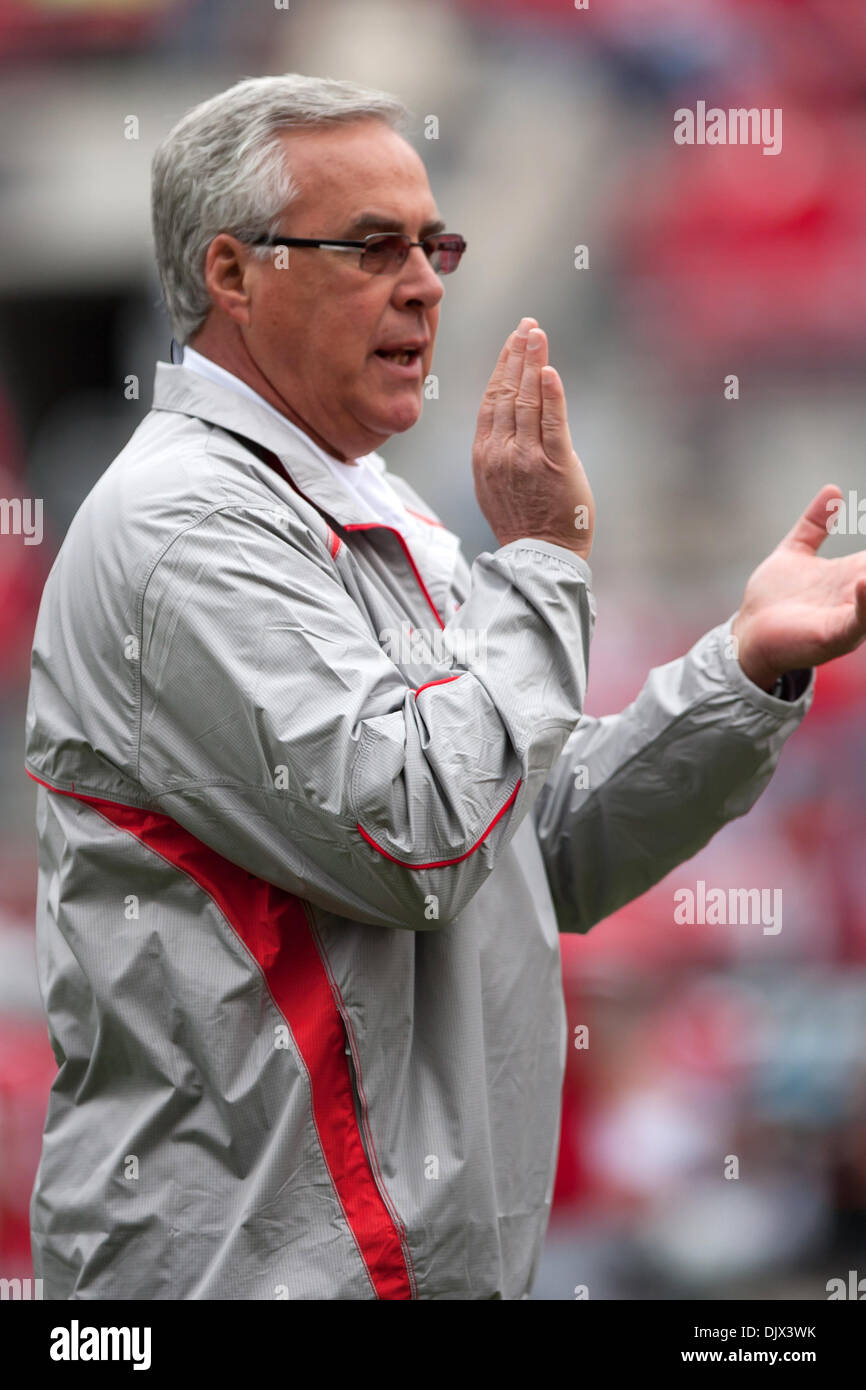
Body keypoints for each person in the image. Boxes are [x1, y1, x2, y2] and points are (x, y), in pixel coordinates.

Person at [24, 73, 866, 1301]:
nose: (424, 281)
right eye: (371, 247)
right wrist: (535, 561)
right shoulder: (182, 529)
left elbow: (531, 848)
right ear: (232, 274)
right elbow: (416, 834)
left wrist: (740, 669)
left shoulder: (374, 508)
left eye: (437, 243)